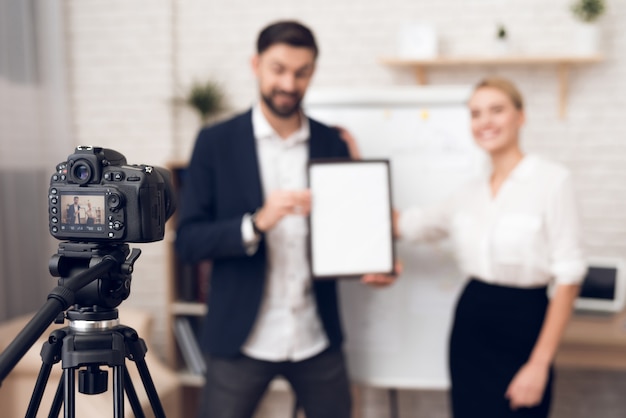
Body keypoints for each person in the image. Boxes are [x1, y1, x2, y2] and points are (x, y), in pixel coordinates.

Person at [175, 20, 395, 418]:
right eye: (279, 69)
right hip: (241, 339)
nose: (290, 83)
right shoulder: (215, 141)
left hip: (316, 334)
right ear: (256, 64)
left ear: (312, 71)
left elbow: (349, 232)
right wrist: (255, 223)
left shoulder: (333, 141)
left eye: (302, 72)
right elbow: (189, 241)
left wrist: (373, 263)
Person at [395, 77, 586, 418]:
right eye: (475, 114)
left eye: (496, 110)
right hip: (472, 322)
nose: (485, 122)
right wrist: (352, 169)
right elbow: (410, 224)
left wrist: (539, 364)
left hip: (525, 324)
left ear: (520, 116)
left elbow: (569, 278)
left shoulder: (553, 181)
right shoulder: (469, 191)